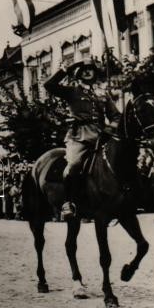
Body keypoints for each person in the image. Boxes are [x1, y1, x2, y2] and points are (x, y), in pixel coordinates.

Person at [43, 60, 121, 220]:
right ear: (78, 74)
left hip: (102, 135)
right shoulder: (72, 92)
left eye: (90, 69)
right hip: (79, 136)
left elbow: (116, 115)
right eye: (83, 70)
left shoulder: (102, 93)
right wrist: (67, 69)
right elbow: (49, 85)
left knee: (119, 159)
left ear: (94, 73)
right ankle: (68, 203)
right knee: (73, 164)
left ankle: (120, 200)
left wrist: (111, 128)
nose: (87, 72)